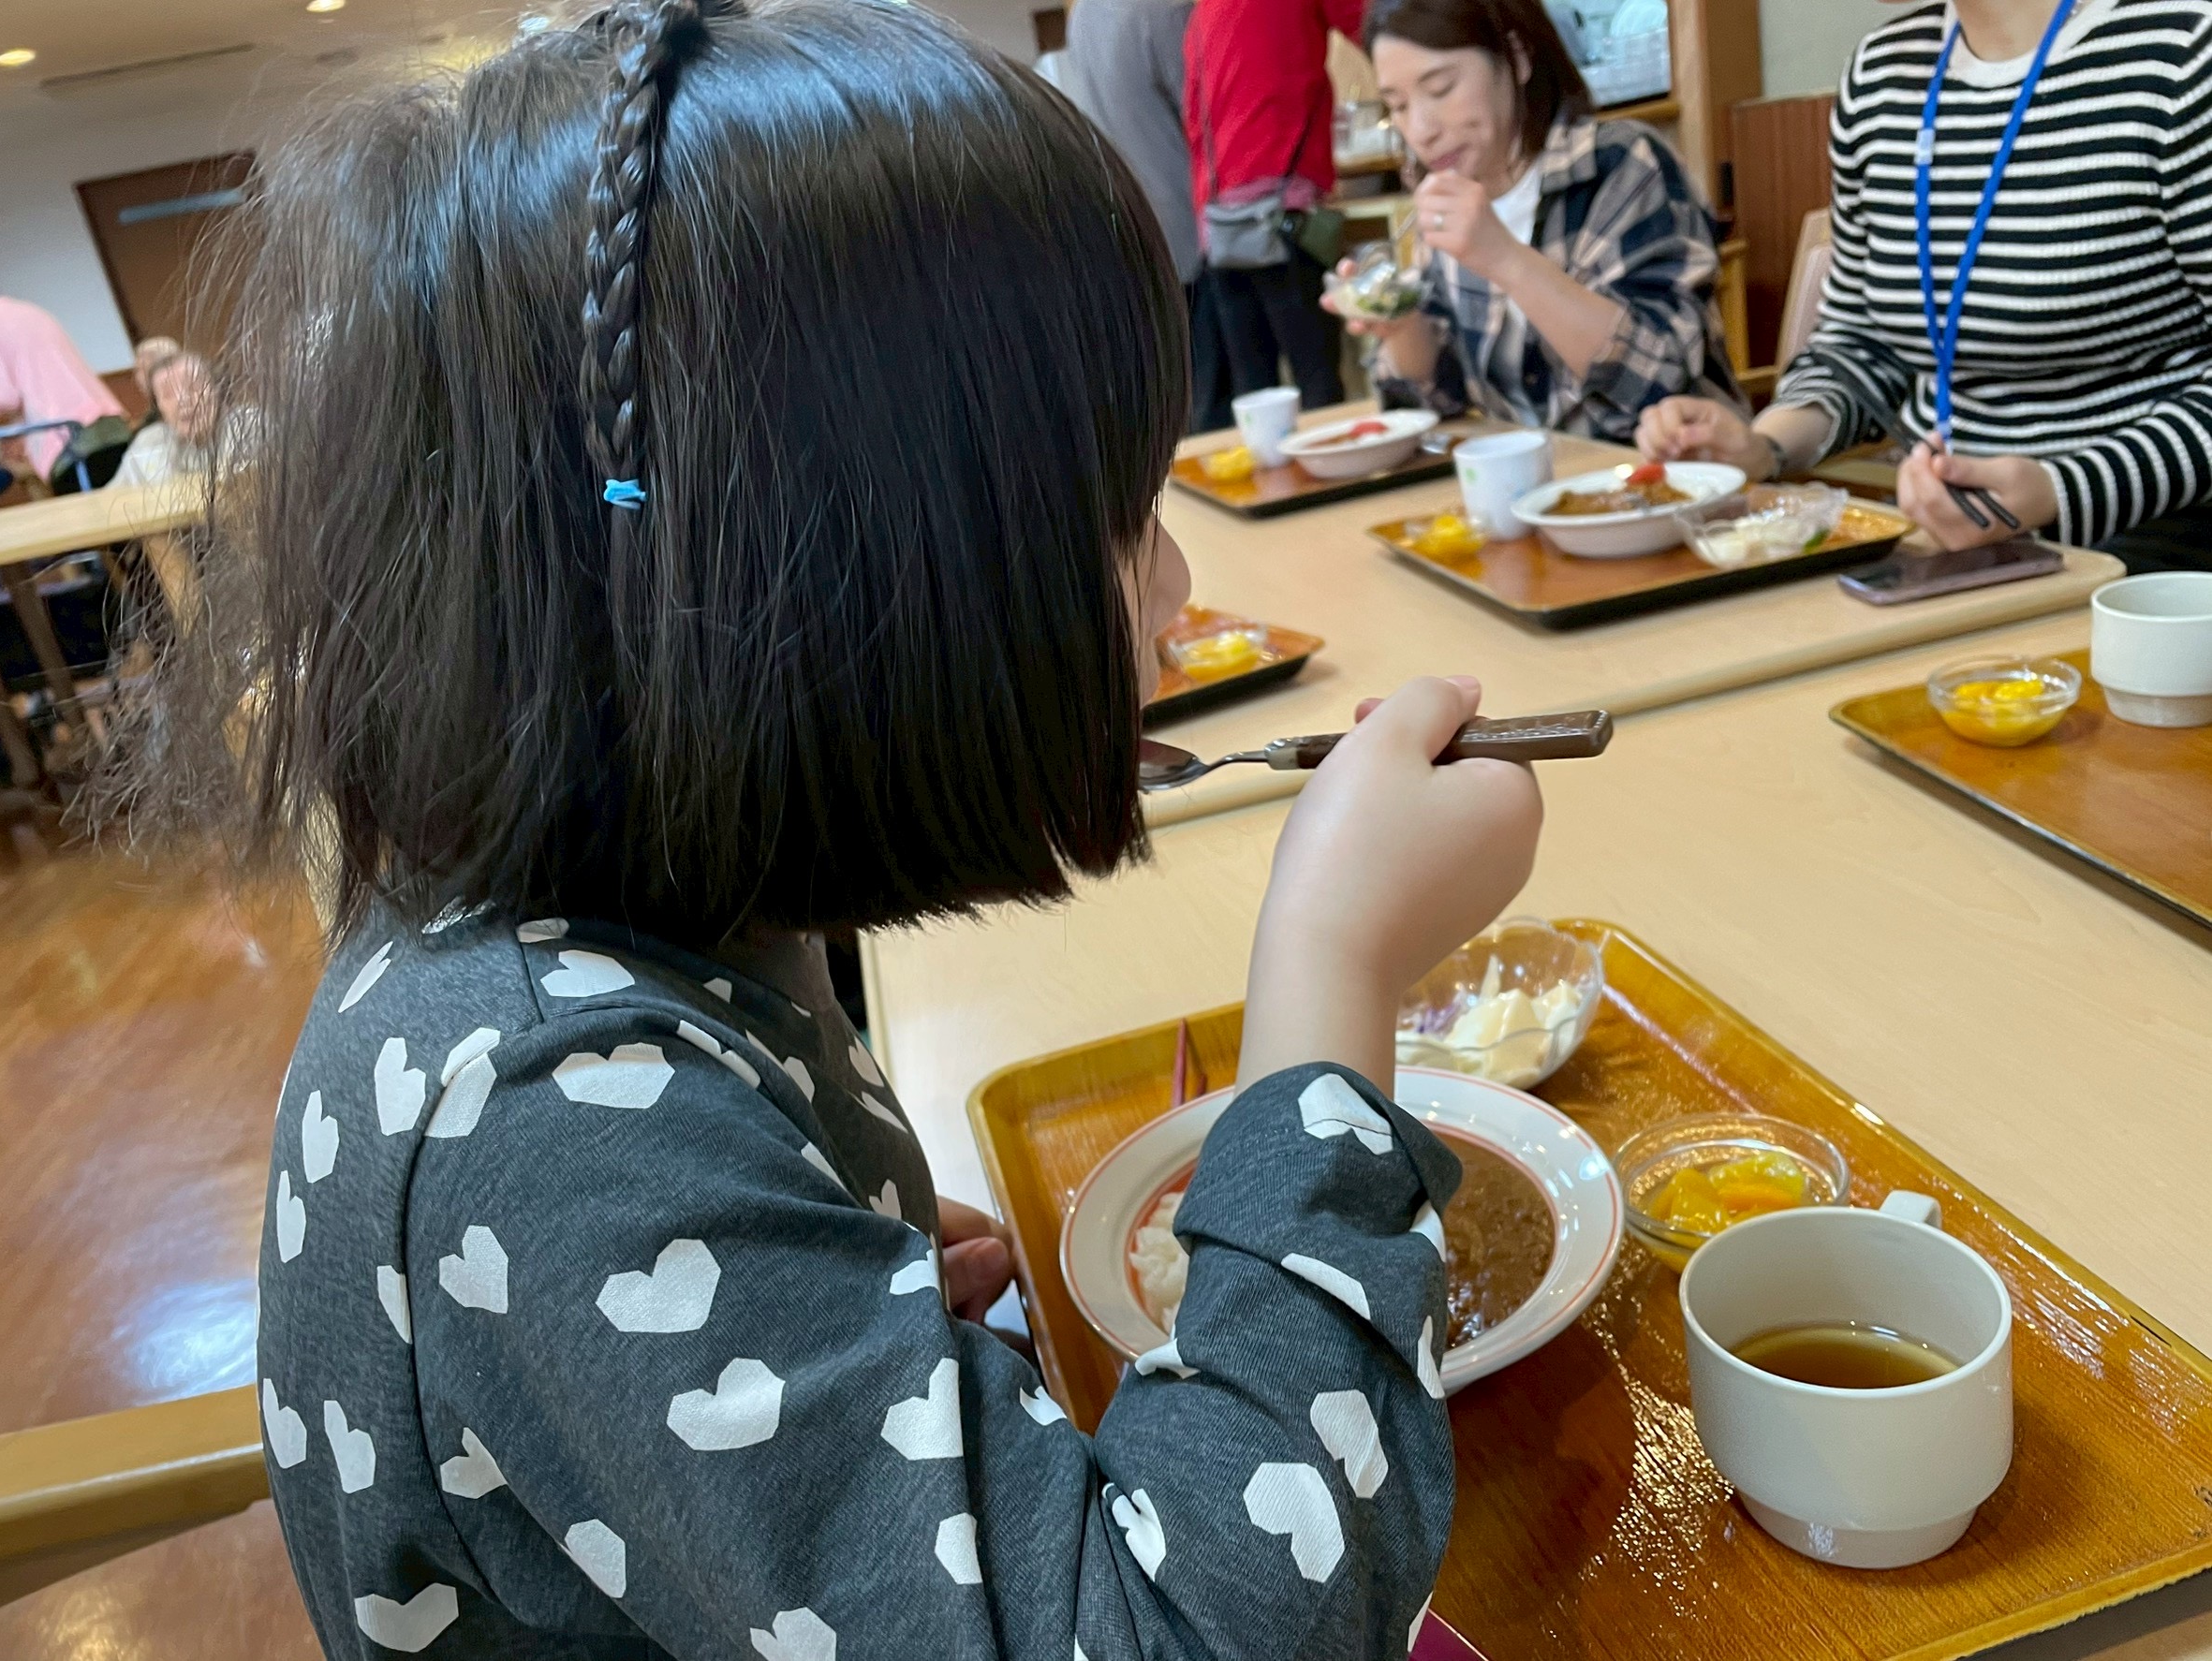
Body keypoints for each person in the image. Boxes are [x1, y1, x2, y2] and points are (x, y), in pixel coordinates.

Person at [124, 3, 1547, 1656]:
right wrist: (1328, 971)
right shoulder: (541, 1116)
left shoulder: (610, 907)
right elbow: (1199, 1633)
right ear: (830, 586)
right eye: (1115, 516)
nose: (1170, 589)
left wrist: (812, 1262)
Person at [1637, 0, 2212, 568]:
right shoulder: (1880, 75)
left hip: (2151, 547)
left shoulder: (2181, 55)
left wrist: (2061, 488)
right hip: (1936, 533)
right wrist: (1765, 446)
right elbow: (1861, 341)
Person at [1342, 0, 1740, 440]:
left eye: (1440, 88)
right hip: (1528, 494)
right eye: (1396, 106)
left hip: (1668, 480)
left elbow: (1659, 380)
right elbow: (1441, 403)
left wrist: (1506, 260)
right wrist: (1401, 326)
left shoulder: (1621, 166)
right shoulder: (1442, 203)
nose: (1420, 130)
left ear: (1516, 57)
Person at [1062, 0, 1235, 431]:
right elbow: (1202, 108)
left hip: (1129, 222)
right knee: (1215, 399)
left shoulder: (1084, 12)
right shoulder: (1163, 8)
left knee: (1175, 392)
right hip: (1186, 224)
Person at [1185, 0, 1361, 409]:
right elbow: (1380, 27)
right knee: (1319, 383)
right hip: (1283, 212)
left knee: (1255, 396)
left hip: (1220, 225)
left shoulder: (1202, 12)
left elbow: (1194, 120)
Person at [0, 295, 128, 489]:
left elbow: (5, 395)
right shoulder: (23, 310)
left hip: (69, 440)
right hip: (108, 422)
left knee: (96, 514)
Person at [111, 352, 219, 487]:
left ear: (217, 390)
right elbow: (111, 499)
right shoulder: (149, 442)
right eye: (168, 394)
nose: (183, 400)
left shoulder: (247, 429)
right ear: (159, 408)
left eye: (193, 387)